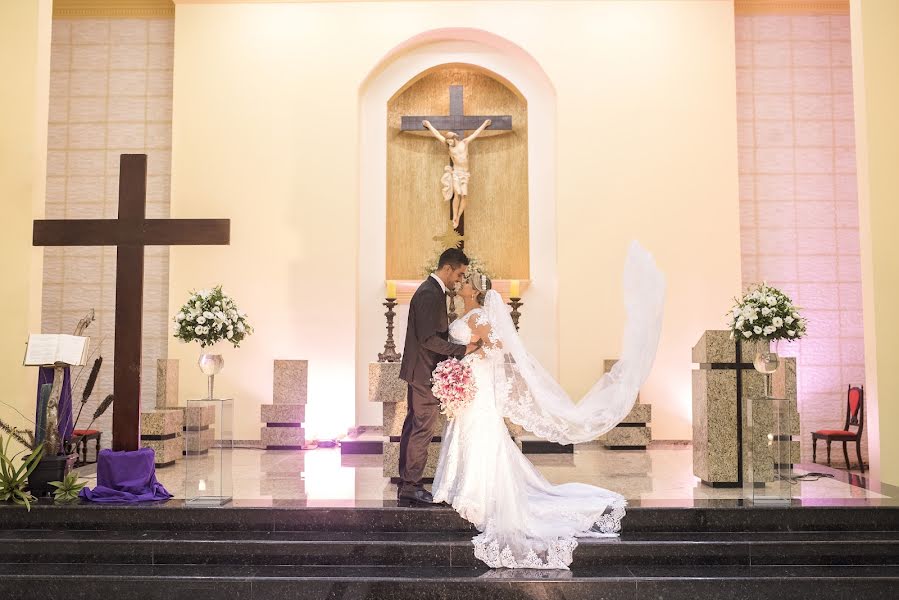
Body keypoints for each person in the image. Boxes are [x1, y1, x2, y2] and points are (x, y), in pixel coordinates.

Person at [432, 241, 666, 569]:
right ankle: (468, 490)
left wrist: (473, 351)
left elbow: (496, 345)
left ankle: (479, 494)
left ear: (476, 291)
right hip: (472, 382)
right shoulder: (467, 314)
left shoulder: (478, 317)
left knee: (480, 433)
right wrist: (465, 361)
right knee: (471, 433)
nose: (462, 284)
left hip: (478, 384)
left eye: (467, 282)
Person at [397, 247, 480, 506]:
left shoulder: (432, 292)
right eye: (459, 274)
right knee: (421, 429)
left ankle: (407, 482)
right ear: (447, 268)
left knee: (414, 427)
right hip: (423, 373)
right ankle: (411, 485)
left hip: (422, 371)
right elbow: (428, 339)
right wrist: (461, 350)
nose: (459, 279)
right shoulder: (429, 294)